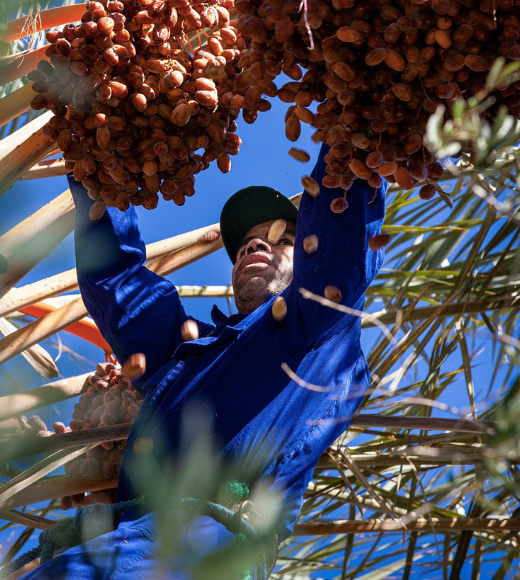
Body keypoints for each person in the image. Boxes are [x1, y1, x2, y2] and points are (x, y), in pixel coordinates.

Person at [21, 144, 386, 579]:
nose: (255, 242)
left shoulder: (318, 330)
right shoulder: (188, 354)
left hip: (208, 540)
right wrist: (95, 159)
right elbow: (115, 280)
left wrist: (353, 125)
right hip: (126, 539)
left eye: (284, 239)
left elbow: (338, 234)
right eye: (247, 242)